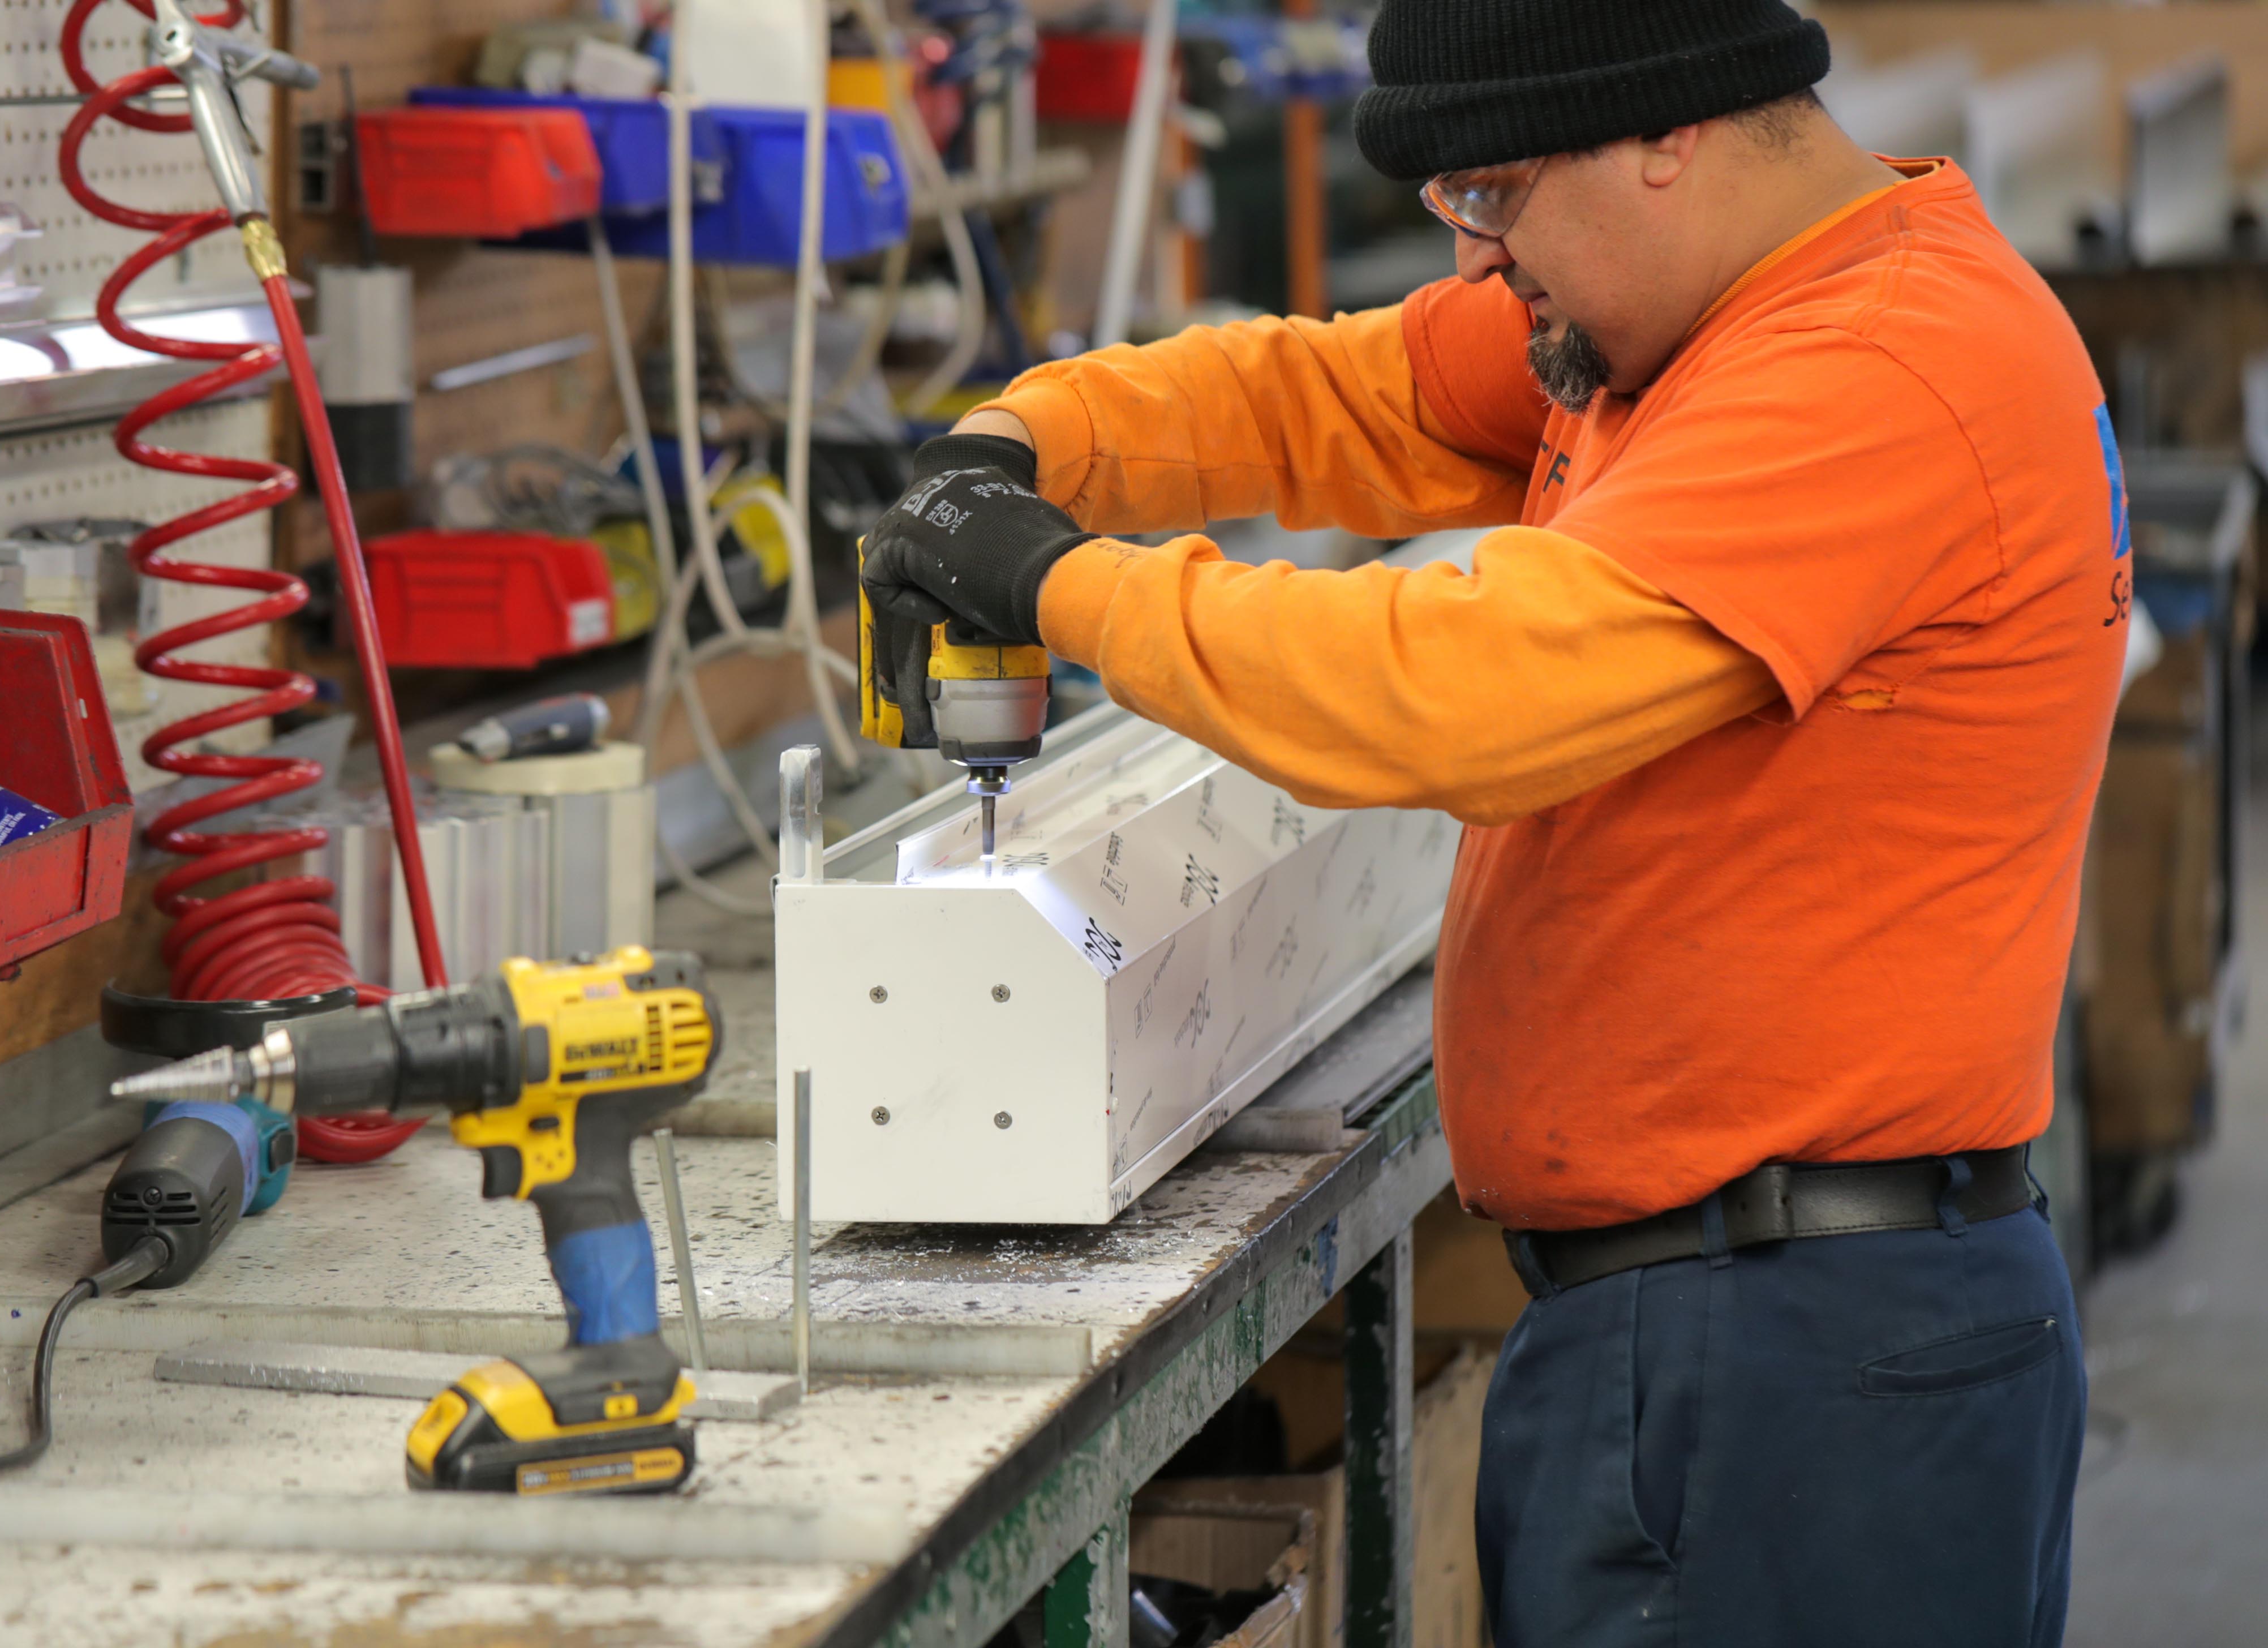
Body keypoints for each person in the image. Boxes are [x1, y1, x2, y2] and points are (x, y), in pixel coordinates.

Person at [860, 1, 2114, 1642]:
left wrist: (1049, 581)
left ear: (1665, 131)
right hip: (1728, 1322)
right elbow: (1336, 395)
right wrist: (1020, 448)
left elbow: (1455, 692)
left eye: (1494, 200)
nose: (1479, 265)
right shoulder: (1692, 319)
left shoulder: (1871, 366)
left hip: (1805, 1366)